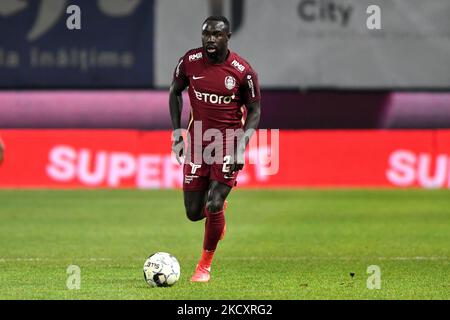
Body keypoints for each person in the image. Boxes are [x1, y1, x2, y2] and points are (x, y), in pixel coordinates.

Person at [169, 16, 261, 282]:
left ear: (227, 37)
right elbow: (174, 92)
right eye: (206, 34)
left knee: (214, 201)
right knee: (194, 213)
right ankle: (217, 216)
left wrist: (242, 147)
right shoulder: (189, 61)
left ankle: (204, 267)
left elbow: (255, 111)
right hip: (198, 144)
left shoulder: (242, 71)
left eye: (217, 35)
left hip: (228, 145)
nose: (210, 39)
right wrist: (177, 133)